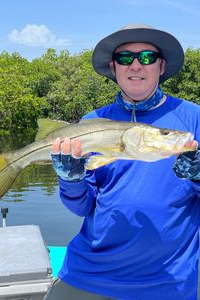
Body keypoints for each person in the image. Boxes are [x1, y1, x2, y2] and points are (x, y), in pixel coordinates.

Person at [44, 24, 200, 300]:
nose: (136, 65)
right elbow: (81, 206)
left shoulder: (192, 119)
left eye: (148, 57)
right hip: (89, 272)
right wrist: (71, 179)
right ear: (114, 68)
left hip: (167, 280)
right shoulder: (92, 122)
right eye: (126, 58)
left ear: (161, 66)